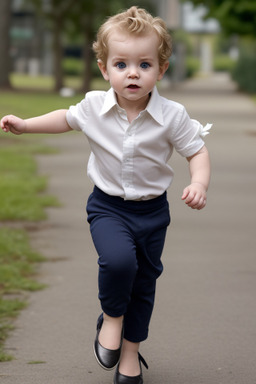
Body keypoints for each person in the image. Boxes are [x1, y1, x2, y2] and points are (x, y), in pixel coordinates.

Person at [1, 6, 211, 384]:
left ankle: (130, 355)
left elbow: (197, 150)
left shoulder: (173, 115)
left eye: (144, 65)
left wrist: (199, 182)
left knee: (144, 283)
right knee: (118, 263)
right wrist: (25, 125)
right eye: (122, 64)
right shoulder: (94, 106)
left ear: (161, 70)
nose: (133, 73)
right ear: (104, 68)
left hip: (152, 212)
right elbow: (65, 119)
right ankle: (111, 319)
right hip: (108, 207)